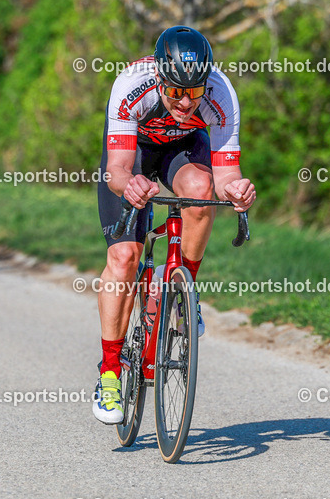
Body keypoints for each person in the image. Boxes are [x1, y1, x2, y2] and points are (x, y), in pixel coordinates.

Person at [92, 25, 257, 424]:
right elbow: (115, 169)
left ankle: (184, 290)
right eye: (176, 92)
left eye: (194, 92)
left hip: (181, 151)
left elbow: (225, 174)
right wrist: (129, 185)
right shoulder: (132, 84)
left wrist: (237, 191)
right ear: (160, 78)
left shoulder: (221, 94)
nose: (185, 102)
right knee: (126, 256)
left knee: (201, 192)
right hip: (132, 154)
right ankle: (110, 374)